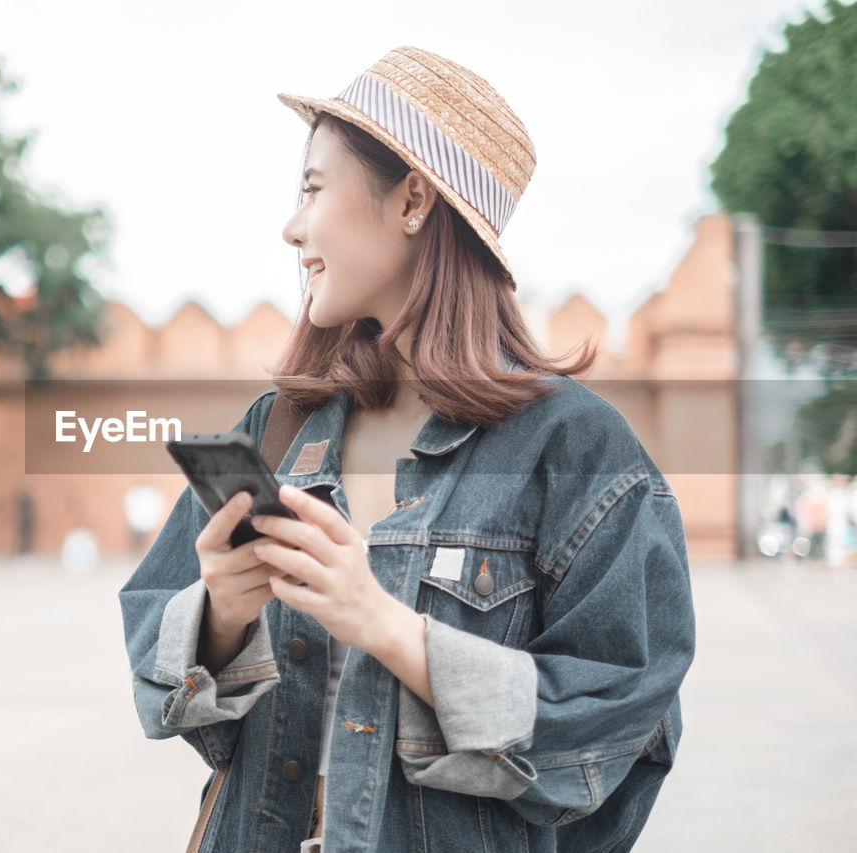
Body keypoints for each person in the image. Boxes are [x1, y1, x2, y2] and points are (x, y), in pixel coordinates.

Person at [119, 47, 695, 853]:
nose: (291, 225)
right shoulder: (278, 428)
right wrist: (222, 610)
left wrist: (387, 627)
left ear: (413, 200)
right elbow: (155, 666)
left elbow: (620, 728)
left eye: (313, 188)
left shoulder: (577, 448)